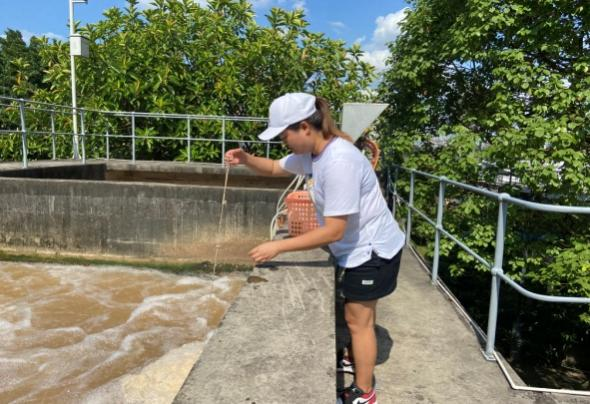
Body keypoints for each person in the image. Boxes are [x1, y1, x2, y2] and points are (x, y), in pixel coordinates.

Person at [224, 92, 405, 404]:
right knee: (357, 314)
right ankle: (354, 359)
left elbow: (334, 230)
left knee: (358, 321)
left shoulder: (339, 161)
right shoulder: (315, 153)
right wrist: (246, 159)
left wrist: (278, 247)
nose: (284, 143)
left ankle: (364, 392)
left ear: (305, 127)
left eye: (285, 136)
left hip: (373, 251)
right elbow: (274, 168)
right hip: (357, 248)